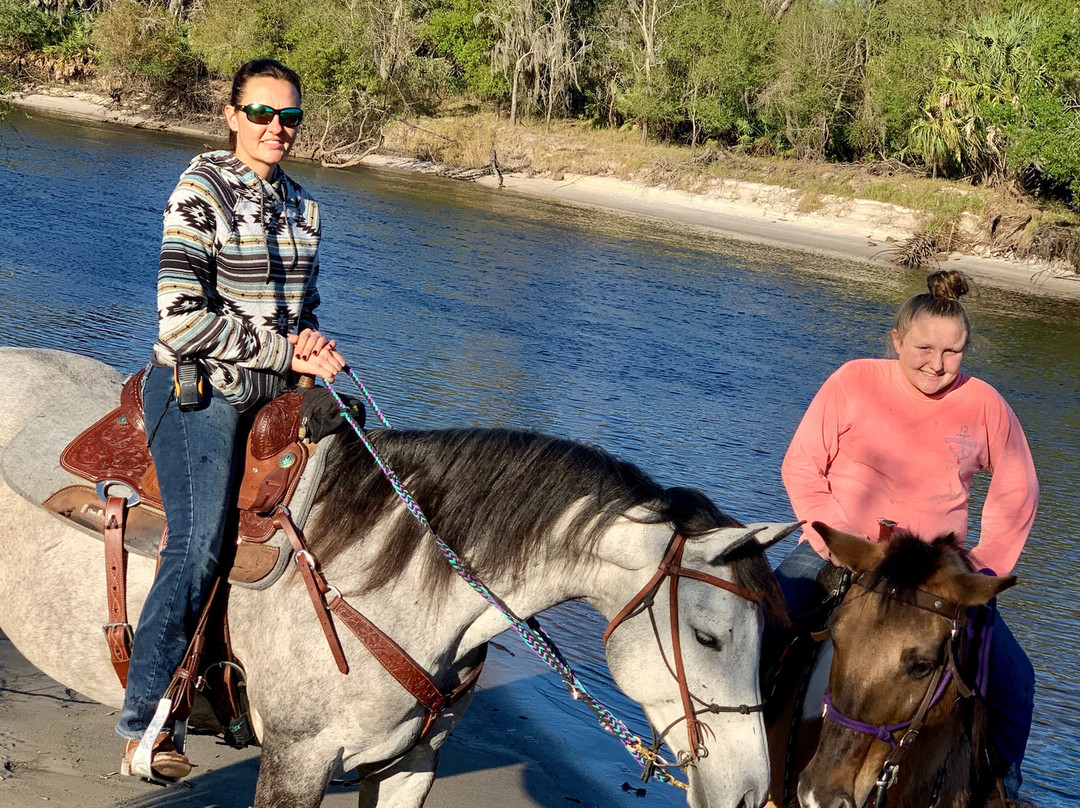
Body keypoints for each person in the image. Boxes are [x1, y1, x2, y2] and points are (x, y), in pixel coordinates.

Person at [117, 58, 346, 779]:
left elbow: (301, 313)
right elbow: (181, 322)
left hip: (276, 392)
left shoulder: (306, 210)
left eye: (290, 117)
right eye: (261, 114)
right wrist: (284, 349)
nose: (277, 128)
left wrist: (311, 345)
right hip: (199, 388)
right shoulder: (200, 191)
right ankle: (148, 722)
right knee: (200, 542)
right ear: (232, 116)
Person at [777, 269, 1038, 805]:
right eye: (924, 348)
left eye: (952, 352)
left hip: (936, 574)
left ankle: (1001, 791)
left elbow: (1018, 489)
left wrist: (981, 568)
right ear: (896, 340)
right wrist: (840, 544)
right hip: (845, 552)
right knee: (763, 628)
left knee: (1015, 683)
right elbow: (802, 466)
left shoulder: (984, 403)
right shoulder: (853, 380)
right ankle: (742, 766)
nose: (936, 364)